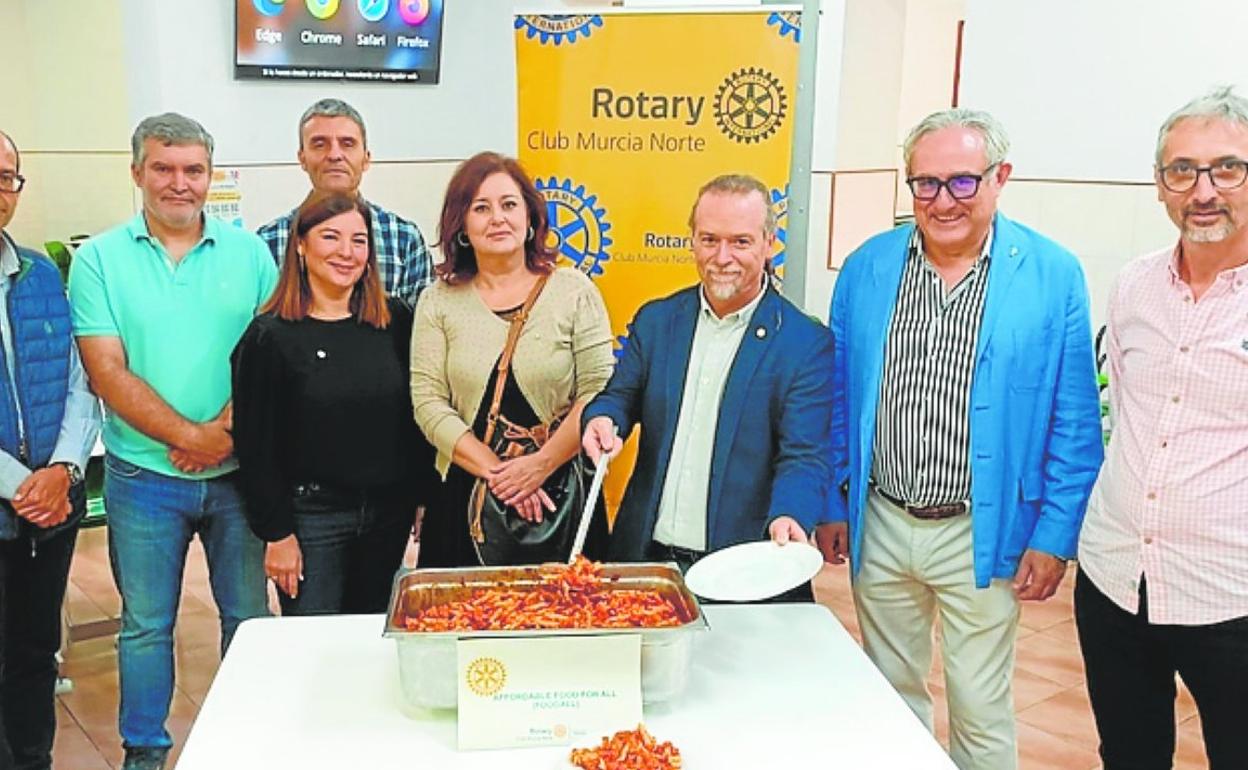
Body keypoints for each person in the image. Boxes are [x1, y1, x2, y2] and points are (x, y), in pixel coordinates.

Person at [826, 108, 1103, 770]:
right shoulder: (868, 267)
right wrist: (833, 500)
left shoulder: (1051, 274)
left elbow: (1074, 415)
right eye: (925, 184)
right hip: (883, 521)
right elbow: (837, 397)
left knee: (980, 709)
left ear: (1000, 177)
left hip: (984, 529)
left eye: (961, 182)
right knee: (888, 699)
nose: (942, 201)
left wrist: (1054, 535)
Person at [67, 113, 277, 770]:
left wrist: (224, 435)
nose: (178, 184)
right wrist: (193, 438)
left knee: (247, 617)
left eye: (193, 170)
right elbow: (107, 370)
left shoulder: (251, 254)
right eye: (163, 168)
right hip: (142, 479)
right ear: (137, 173)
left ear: (209, 177)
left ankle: (250, 739)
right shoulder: (97, 260)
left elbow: (273, 360)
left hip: (240, 474)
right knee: (146, 626)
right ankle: (145, 752)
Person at [1076, 86, 1248, 770]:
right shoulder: (1133, 286)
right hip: (1115, 578)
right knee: (1129, 753)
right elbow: (1124, 408)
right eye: (1182, 170)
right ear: (1159, 186)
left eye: (1226, 168)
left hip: (1230, 594)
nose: (1203, 190)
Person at [581, 173, 834, 590]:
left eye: (741, 241)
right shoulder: (657, 320)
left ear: (770, 243)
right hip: (645, 562)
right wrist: (603, 419)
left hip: (743, 569)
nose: (722, 256)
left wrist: (791, 514)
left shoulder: (804, 343)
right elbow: (619, 398)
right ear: (692, 240)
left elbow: (804, 455)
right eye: (709, 239)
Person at [232, 192, 434, 614]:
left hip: (387, 515)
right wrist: (277, 534)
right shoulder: (270, 338)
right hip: (311, 520)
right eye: (330, 237)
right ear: (301, 246)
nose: (347, 252)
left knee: (371, 639)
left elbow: (414, 421)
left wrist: (421, 496)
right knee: (316, 646)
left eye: (359, 241)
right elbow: (256, 446)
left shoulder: (395, 322)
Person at [410, 151, 613, 567]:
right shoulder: (437, 300)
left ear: (531, 218)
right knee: (463, 624)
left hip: (561, 495)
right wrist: (503, 476)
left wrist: (540, 465)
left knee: (567, 619)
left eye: (508, 205)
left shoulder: (574, 291)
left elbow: (599, 390)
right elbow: (428, 402)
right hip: (465, 497)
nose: (497, 218)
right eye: (480, 208)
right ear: (462, 225)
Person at [0, 129, 101, 770]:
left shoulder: (37, 273)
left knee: (35, 654)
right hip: (20, 496)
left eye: (6, 176)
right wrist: (19, 484)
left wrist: (64, 468)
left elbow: (79, 380)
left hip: (48, 514)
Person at [257, 98, 433, 308]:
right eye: (320, 144)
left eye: (347, 144)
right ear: (302, 158)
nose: (334, 155)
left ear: (366, 158)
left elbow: (420, 331)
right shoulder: (266, 243)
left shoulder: (404, 238)